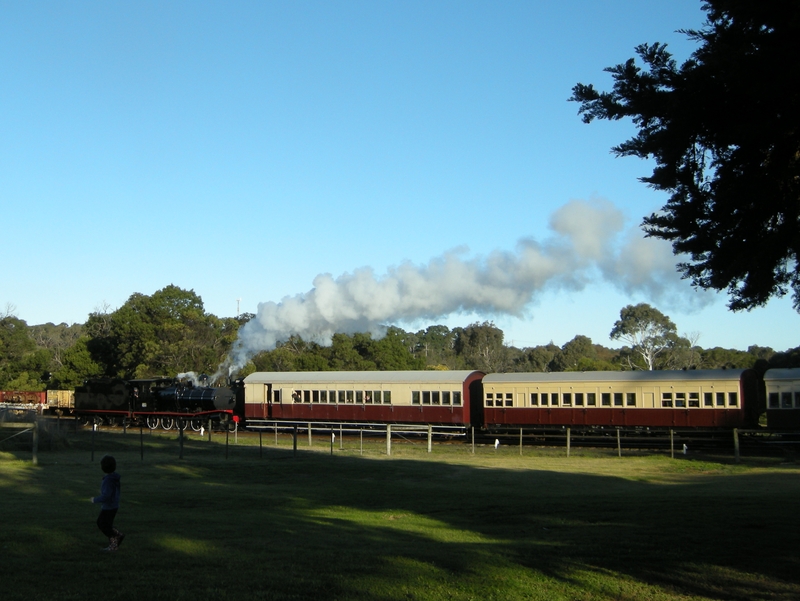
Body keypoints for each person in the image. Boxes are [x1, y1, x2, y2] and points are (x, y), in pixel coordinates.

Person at [90, 454, 125, 552]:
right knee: (102, 523)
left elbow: (106, 496)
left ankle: (114, 542)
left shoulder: (108, 480)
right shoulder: (114, 478)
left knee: (105, 525)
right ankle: (117, 535)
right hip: (113, 505)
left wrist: (95, 500)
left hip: (109, 507)